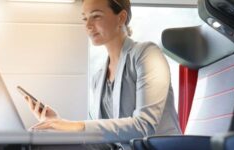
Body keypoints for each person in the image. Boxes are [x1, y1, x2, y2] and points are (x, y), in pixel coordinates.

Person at [24, 0, 181, 149]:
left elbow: (145, 126)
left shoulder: (147, 55)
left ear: (121, 18)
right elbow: (103, 143)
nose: (88, 25)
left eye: (96, 16)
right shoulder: (98, 78)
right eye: (85, 18)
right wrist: (58, 127)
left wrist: (73, 126)